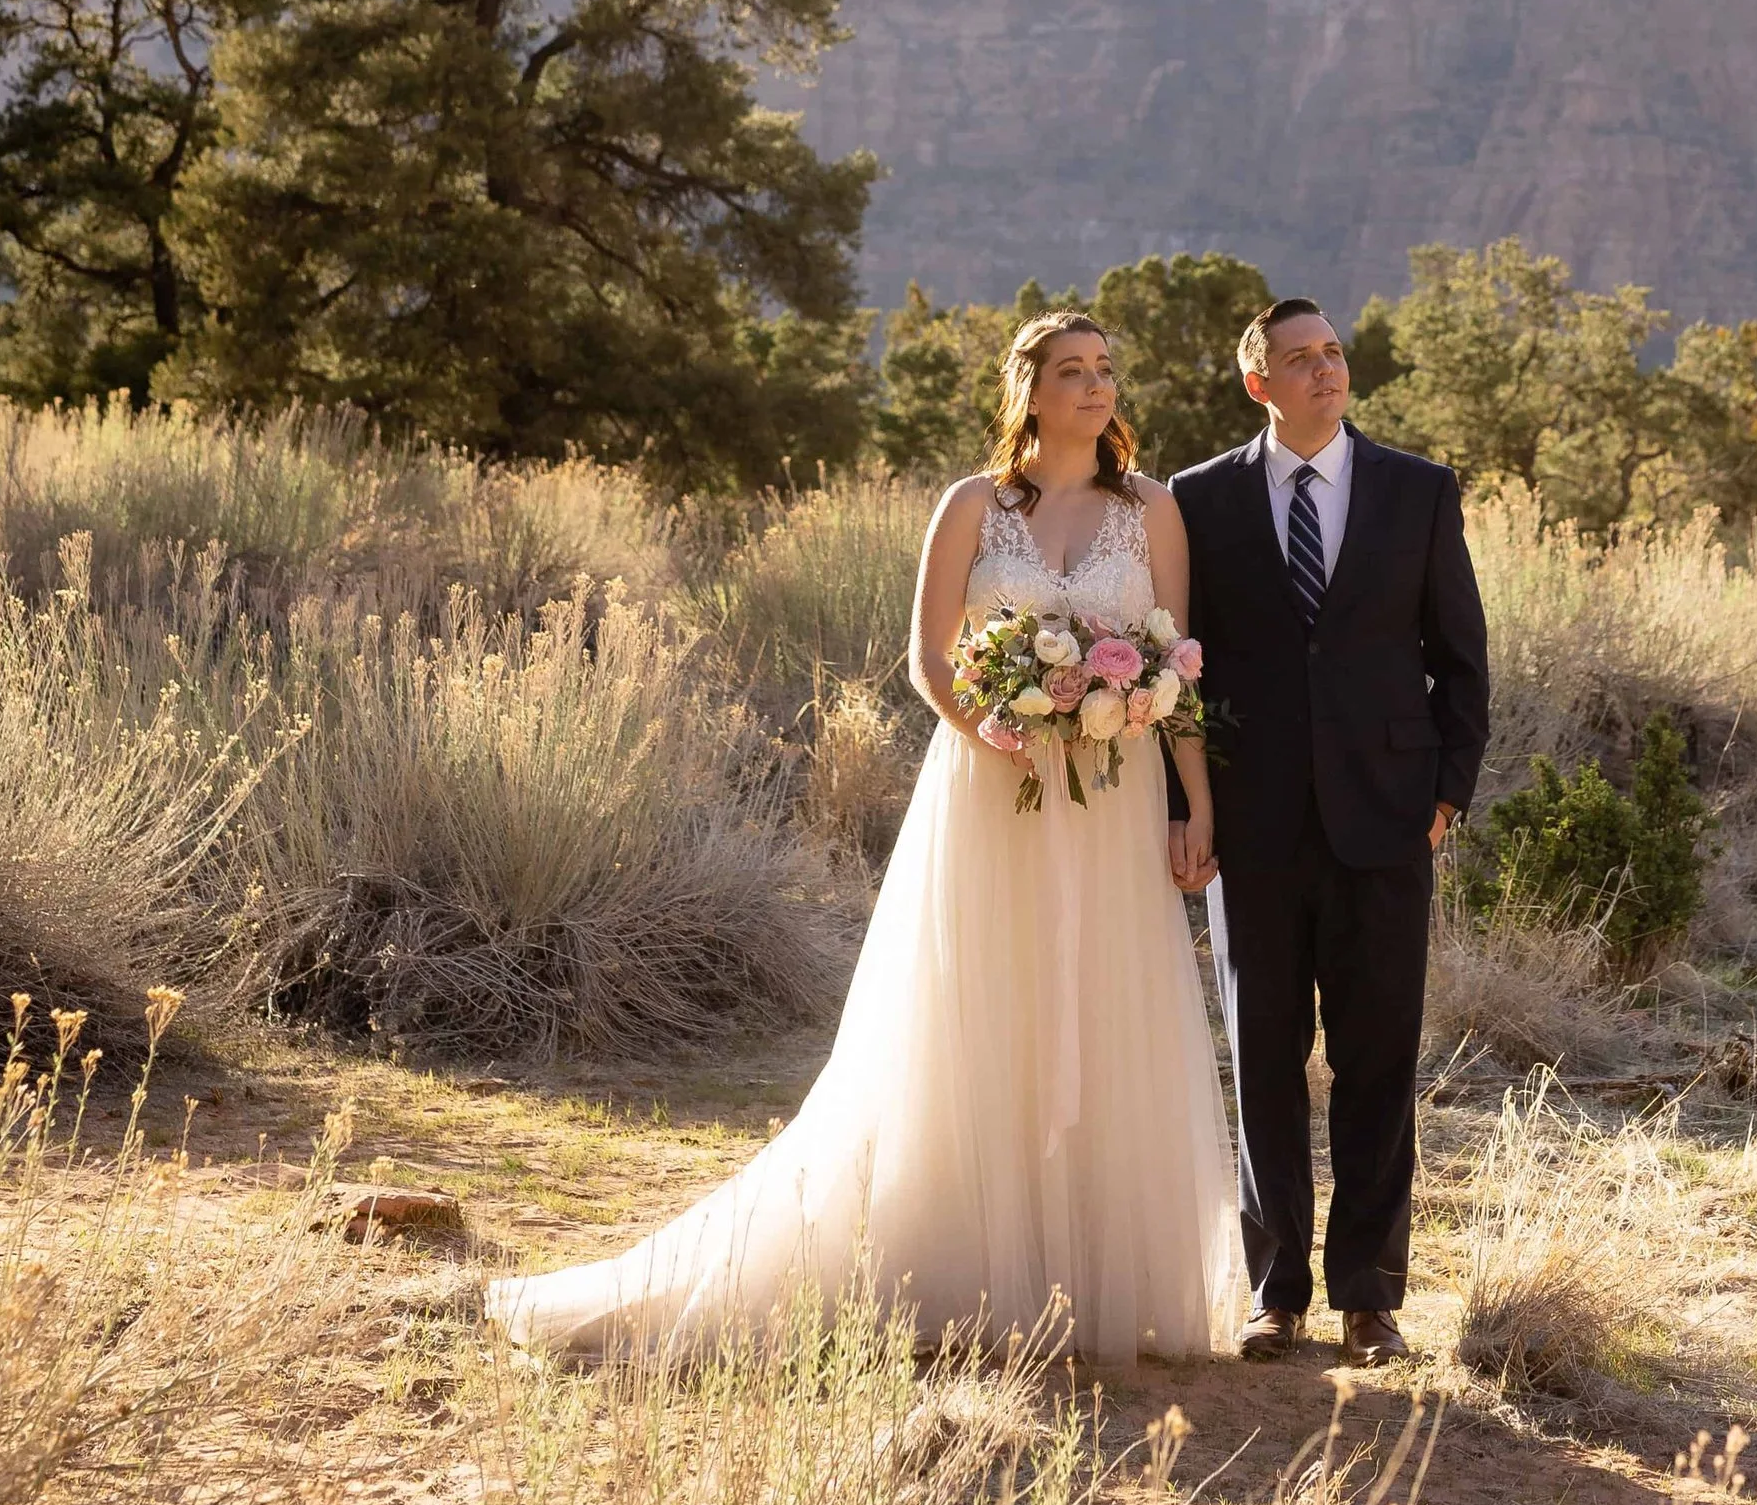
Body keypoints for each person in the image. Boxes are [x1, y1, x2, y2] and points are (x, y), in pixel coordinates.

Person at [487, 310, 1238, 1366]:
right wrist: (988, 725)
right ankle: (963, 1254)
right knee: (989, 1004)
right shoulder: (971, 506)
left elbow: (1178, 666)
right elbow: (927, 658)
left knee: (1101, 1003)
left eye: (1106, 369)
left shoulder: (1152, 511)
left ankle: (1091, 1273)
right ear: (1028, 390)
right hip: (992, 787)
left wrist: (1193, 805)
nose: (1095, 387)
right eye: (1072, 371)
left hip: (1112, 798)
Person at [1170, 299, 1490, 1367]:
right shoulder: (1196, 500)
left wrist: (1446, 794)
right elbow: (1179, 667)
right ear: (1256, 381)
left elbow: (1460, 657)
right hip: (1251, 829)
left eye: (1334, 354)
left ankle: (1368, 1297)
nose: (1325, 371)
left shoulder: (1417, 489)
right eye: (1299, 359)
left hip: (1388, 821)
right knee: (1262, 1062)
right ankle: (1275, 1296)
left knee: (1375, 1061)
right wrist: (1188, 811)